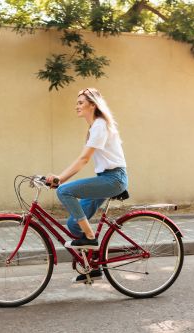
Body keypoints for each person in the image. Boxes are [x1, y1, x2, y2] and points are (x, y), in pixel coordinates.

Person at [46, 87, 128, 283]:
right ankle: (93, 268)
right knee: (74, 224)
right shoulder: (94, 127)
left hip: (113, 179)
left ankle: (91, 238)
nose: (77, 106)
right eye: (77, 102)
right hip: (106, 178)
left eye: (81, 102)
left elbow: (84, 159)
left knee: (65, 191)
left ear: (93, 105)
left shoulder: (100, 125)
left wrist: (60, 180)